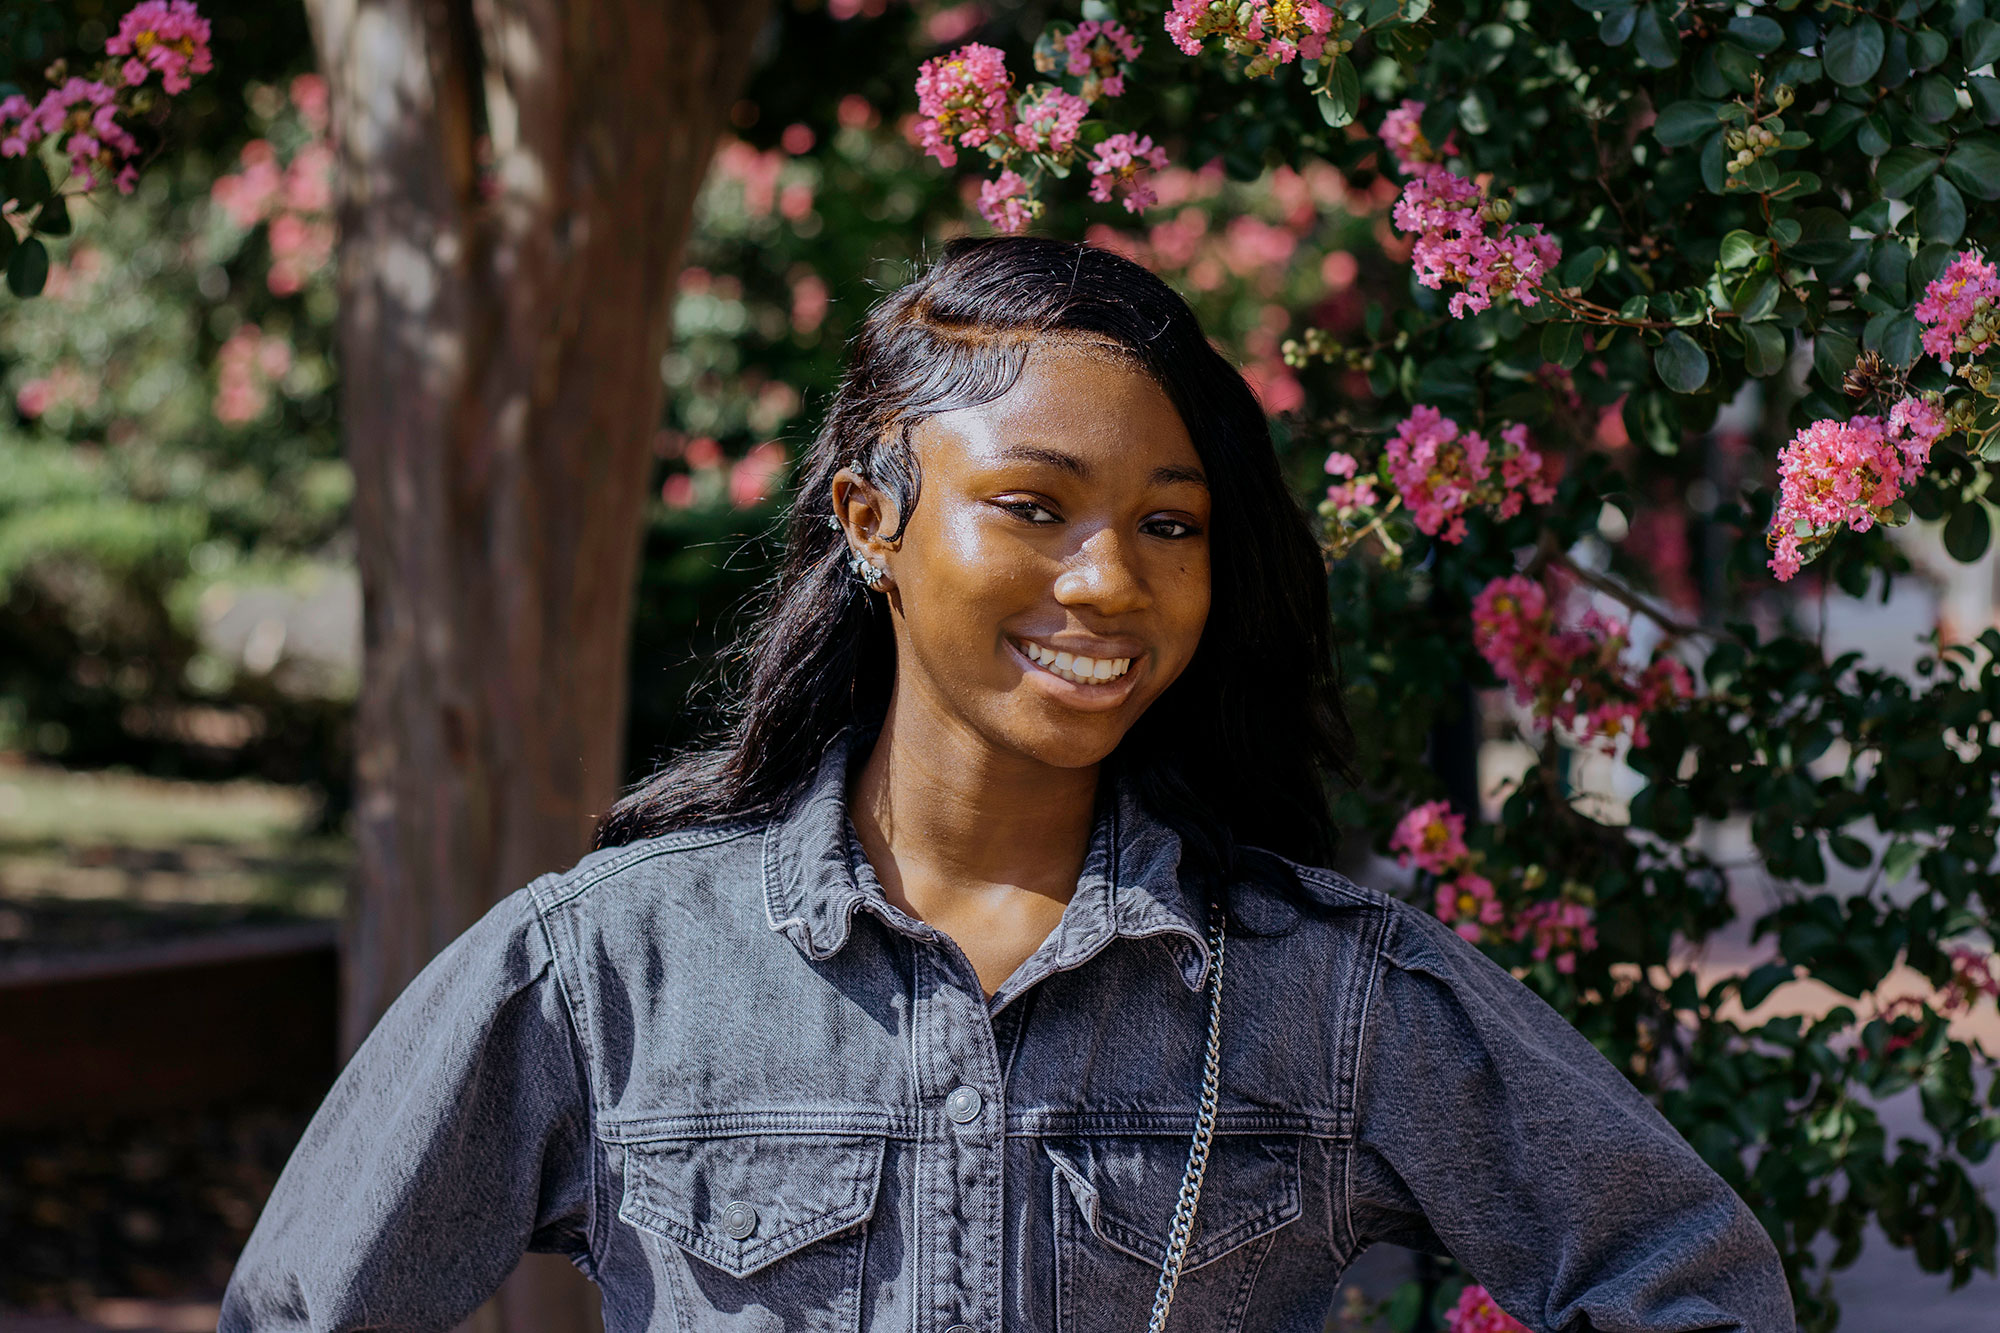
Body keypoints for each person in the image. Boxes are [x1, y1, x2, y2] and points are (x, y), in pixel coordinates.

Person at [220, 236, 1794, 1333]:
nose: (1108, 580)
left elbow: (1692, 1280)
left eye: (1171, 524)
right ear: (872, 520)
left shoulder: (1327, 992)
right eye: (1034, 505)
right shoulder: (609, 970)